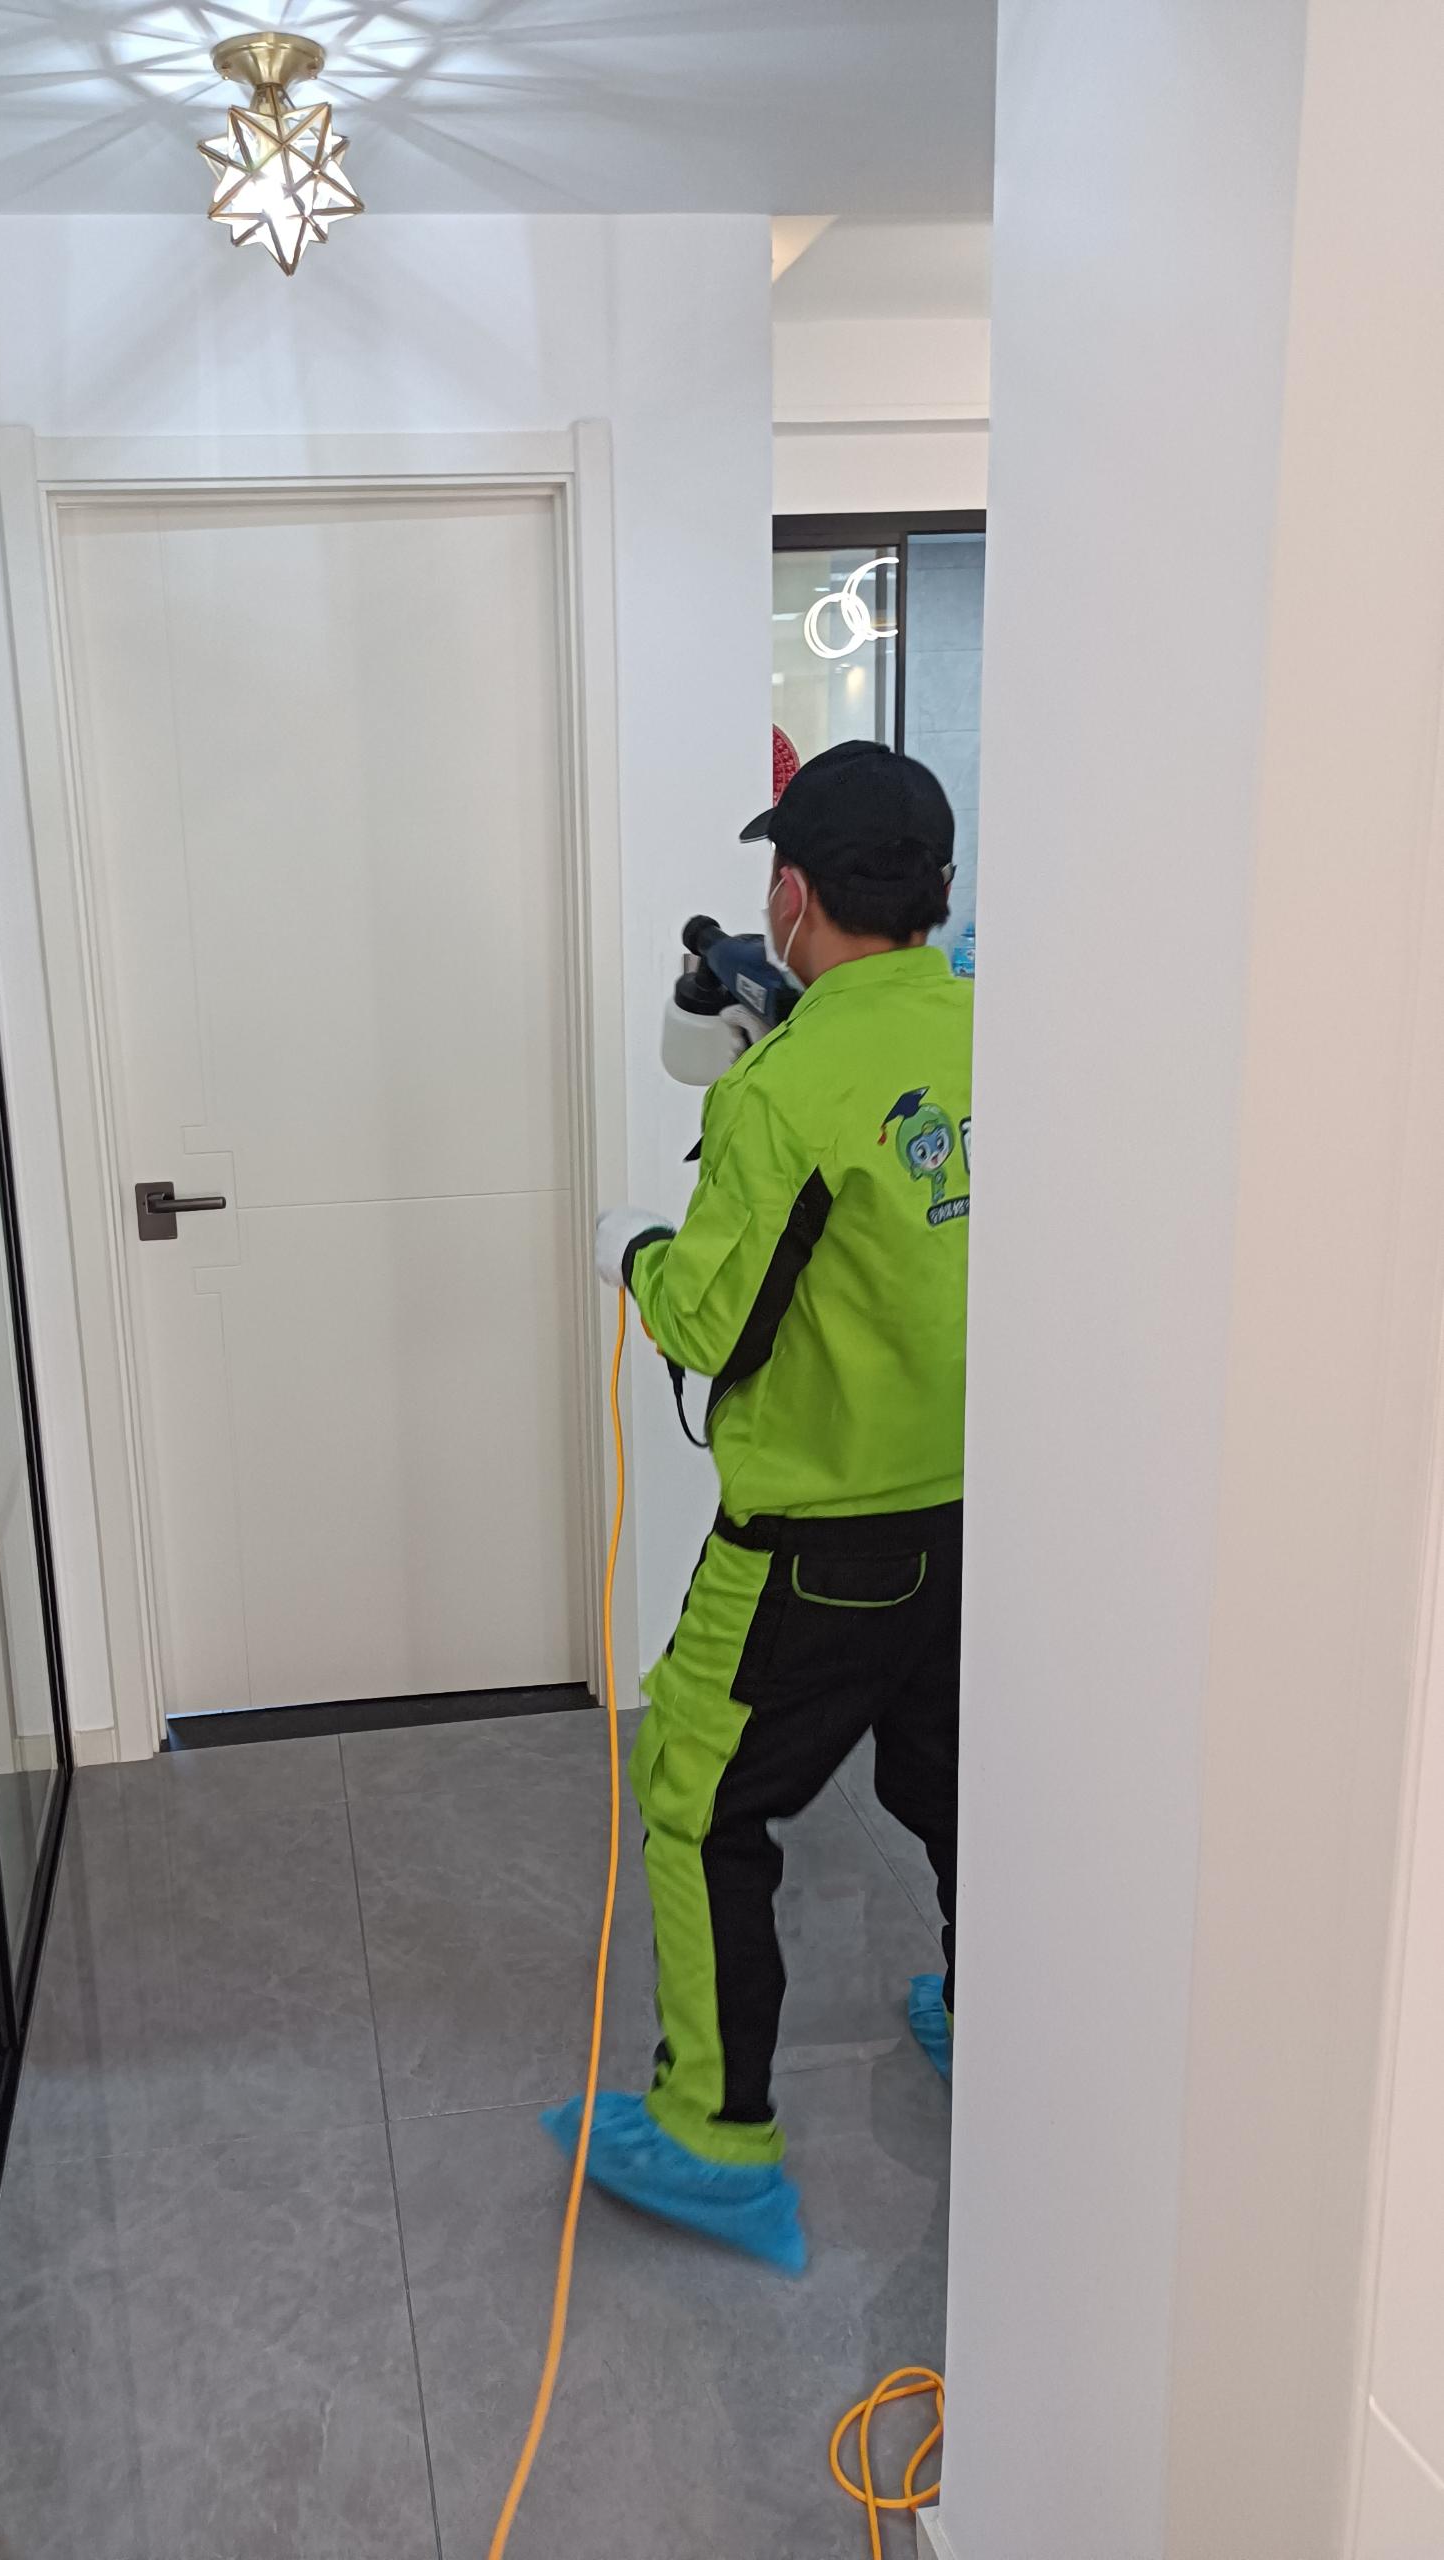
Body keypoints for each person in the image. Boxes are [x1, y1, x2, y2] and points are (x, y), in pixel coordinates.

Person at [548, 738, 971, 2276]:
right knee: (961, 1783)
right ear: (938, 891)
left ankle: (713, 2135)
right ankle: (988, 2016)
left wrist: (633, 1248)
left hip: (818, 1541)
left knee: (697, 1795)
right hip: (983, 1519)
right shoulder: (1001, 1032)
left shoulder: (779, 1093)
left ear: (791, 895)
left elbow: (714, 1324)